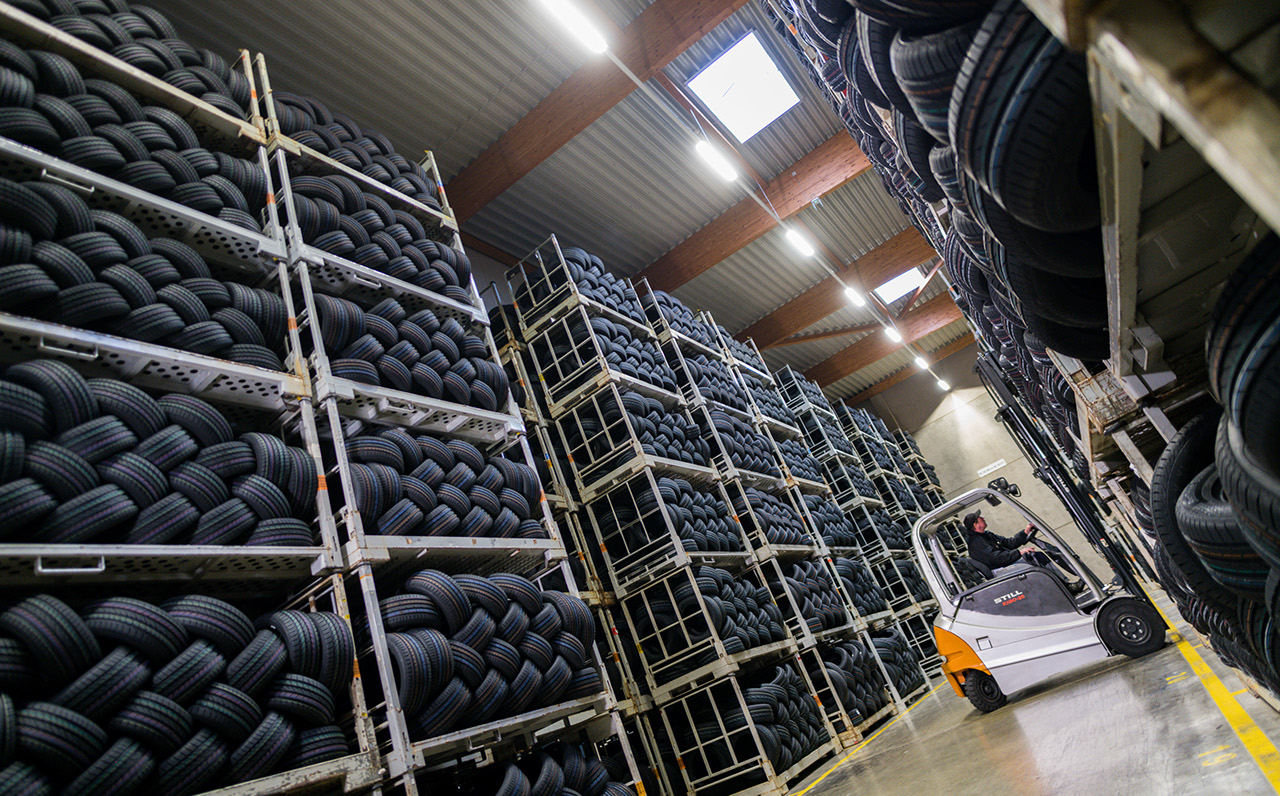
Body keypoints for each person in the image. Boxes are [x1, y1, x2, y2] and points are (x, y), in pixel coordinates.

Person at [963, 510, 1085, 594]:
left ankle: (1064, 585)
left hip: (1005, 563)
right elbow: (997, 558)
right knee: (1031, 557)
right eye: (980, 518)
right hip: (999, 570)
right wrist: (1020, 553)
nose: (983, 518)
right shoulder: (977, 543)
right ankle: (1066, 588)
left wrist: (1026, 531)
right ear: (976, 524)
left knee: (1037, 555)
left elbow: (1009, 543)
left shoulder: (986, 535)